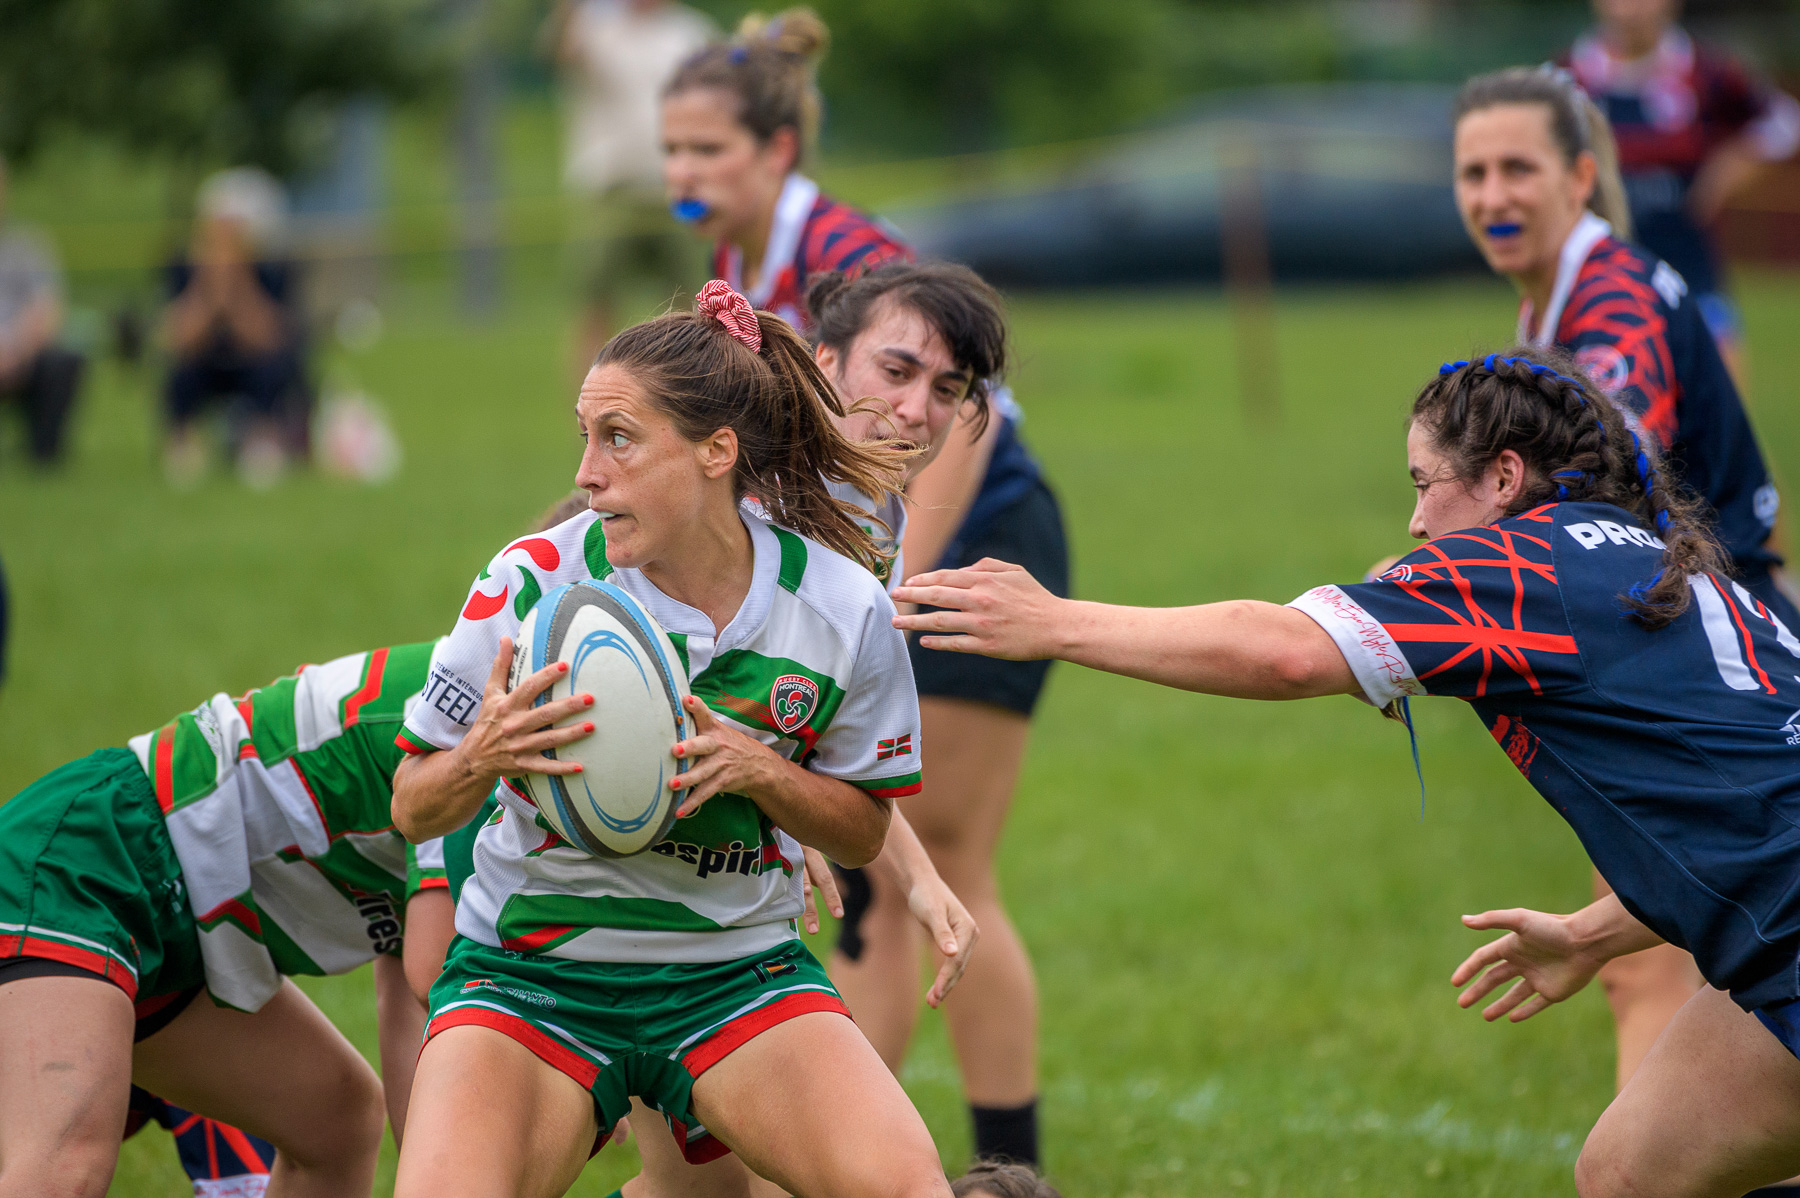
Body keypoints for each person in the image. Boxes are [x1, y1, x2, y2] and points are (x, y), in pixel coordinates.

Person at [893, 348, 1800, 1198]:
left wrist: (1056, 622)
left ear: (1503, 479)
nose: (1415, 521)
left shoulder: (1524, 565)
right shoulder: (1660, 567)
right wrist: (1597, 933)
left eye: (1424, 484)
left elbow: (1286, 651)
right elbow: (1741, 808)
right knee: (1632, 1168)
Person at [389, 282, 951, 1198]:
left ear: (714, 452)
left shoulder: (840, 608)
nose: (586, 473)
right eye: (584, 436)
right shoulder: (531, 581)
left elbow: (861, 833)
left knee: (907, 1189)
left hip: (733, 976)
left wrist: (761, 770)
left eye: (618, 438)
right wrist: (479, 756)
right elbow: (411, 807)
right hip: (533, 980)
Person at [1453, 63, 1793, 1095]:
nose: (1493, 195)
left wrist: (1448, 576)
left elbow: (1602, 464)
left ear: (1579, 176)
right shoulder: (1558, 301)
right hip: (1706, 638)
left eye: (1518, 168)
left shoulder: (1613, 305)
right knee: (1692, 962)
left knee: (1646, 966)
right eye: (1473, 172)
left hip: (1711, 659)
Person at [0, 642, 440, 1198]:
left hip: (183, 930)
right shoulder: (480, 735)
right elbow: (443, 983)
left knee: (335, 1121)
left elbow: (416, 1000)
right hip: (94, 859)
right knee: (66, 1166)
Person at [811, 263, 1067, 1167]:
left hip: (972, 544)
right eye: (896, 372)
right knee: (873, 880)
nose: (918, 408)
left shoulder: (847, 249)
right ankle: (829, 1150)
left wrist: (887, 596)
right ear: (824, 358)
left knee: (938, 865)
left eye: (947, 389)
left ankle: (1010, 1174)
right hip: (875, 545)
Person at [1565, 0, 1800, 374]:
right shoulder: (1568, 77)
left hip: (1690, 265)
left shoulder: (1707, 71)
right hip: (1599, 274)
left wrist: (1727, 170)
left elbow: (1783, 120)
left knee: (1720, 391)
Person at [661, 9, 909, 334]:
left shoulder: (850, 262)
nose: (680, 174)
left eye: (708, 150)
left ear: (779, 150)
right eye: (671, 150)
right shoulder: (728, 254)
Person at [548, 0, 714, 371]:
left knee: (694, 305)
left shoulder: (691, 32)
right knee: (596, 305)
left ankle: (690, 394)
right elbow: (561, 54)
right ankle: (589, 402)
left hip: (678, 187)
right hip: (611, 189)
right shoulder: (594, 28)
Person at [161, 168, 310, 489]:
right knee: (183, 372)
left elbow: (268, 337)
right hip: (206, 358)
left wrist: (237, 286)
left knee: (272, 368)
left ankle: (263, 438)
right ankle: (183, 442)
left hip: (252, 358)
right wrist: (209, 288)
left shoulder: (271, 271)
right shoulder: (186, 268)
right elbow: (179, 338)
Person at [0, 154, 83, 468]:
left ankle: (44, 455)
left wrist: (14, 349)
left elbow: (47, 309)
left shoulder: (28, 246)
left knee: (62, 360)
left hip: (20, 352)